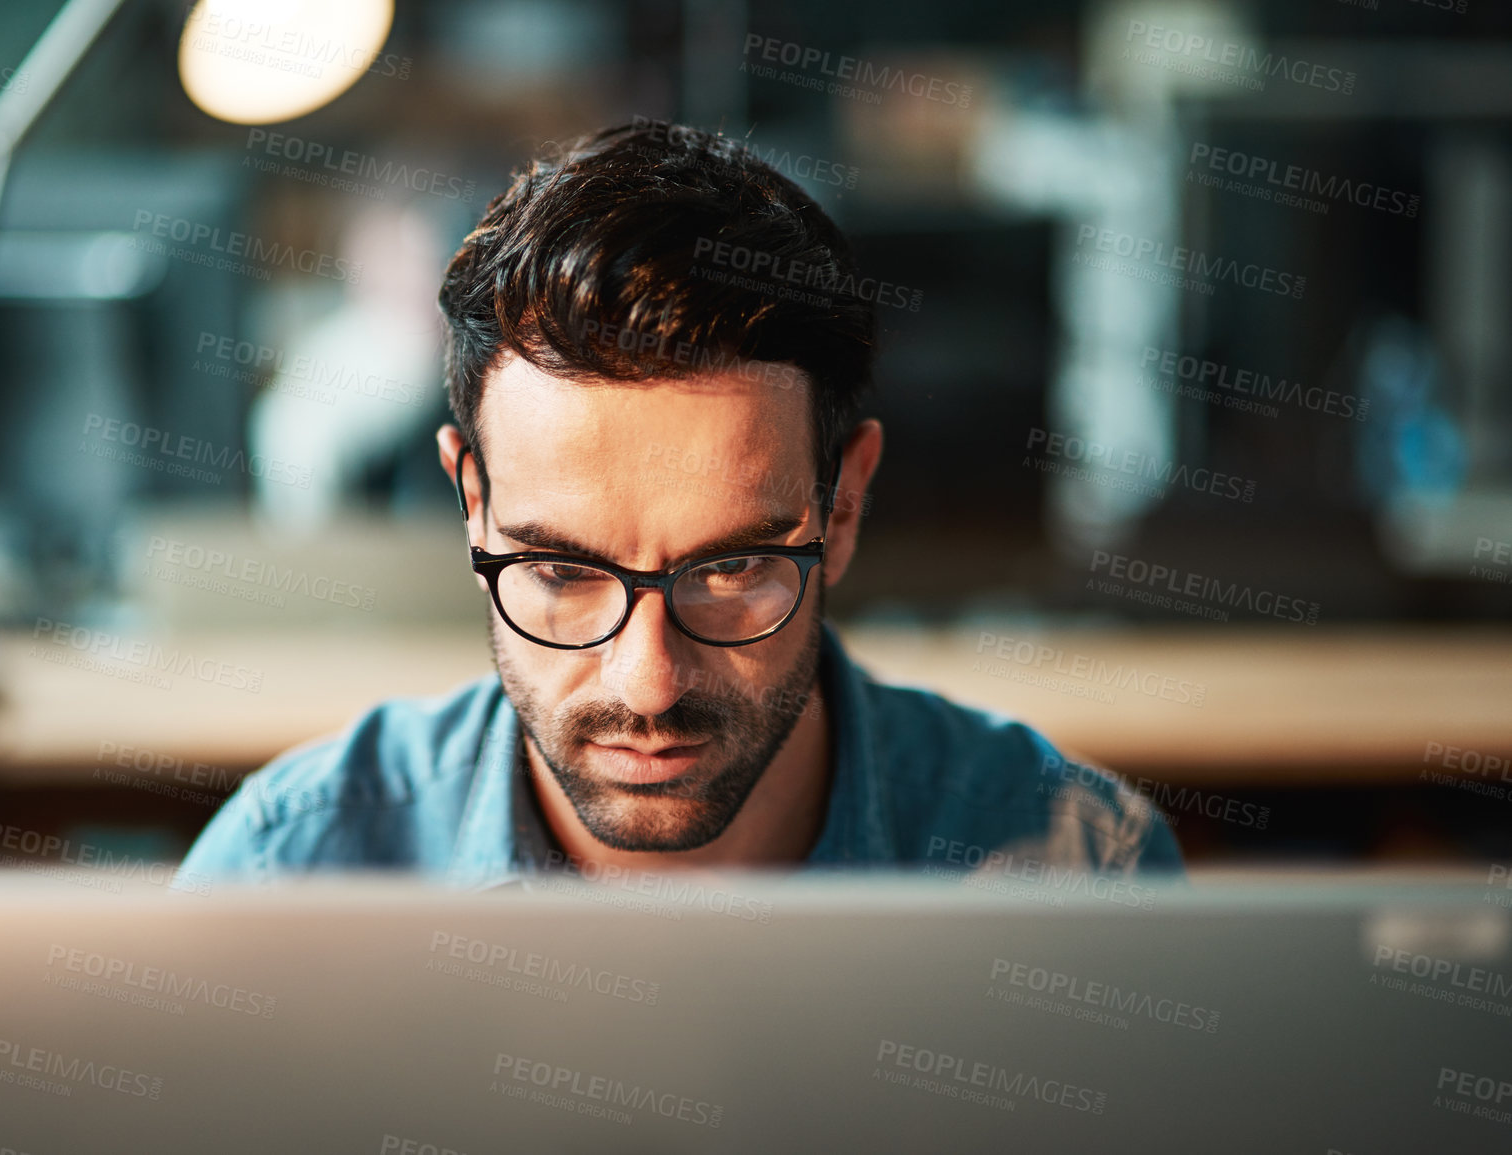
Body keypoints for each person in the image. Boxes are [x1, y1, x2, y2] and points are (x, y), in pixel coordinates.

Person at [178, 121, 1182, 891]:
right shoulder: (294, 868)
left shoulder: (1073, 872)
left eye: (731, 568)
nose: (649, 685)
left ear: (843, 506)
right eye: (563, 572)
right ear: (471, 503)